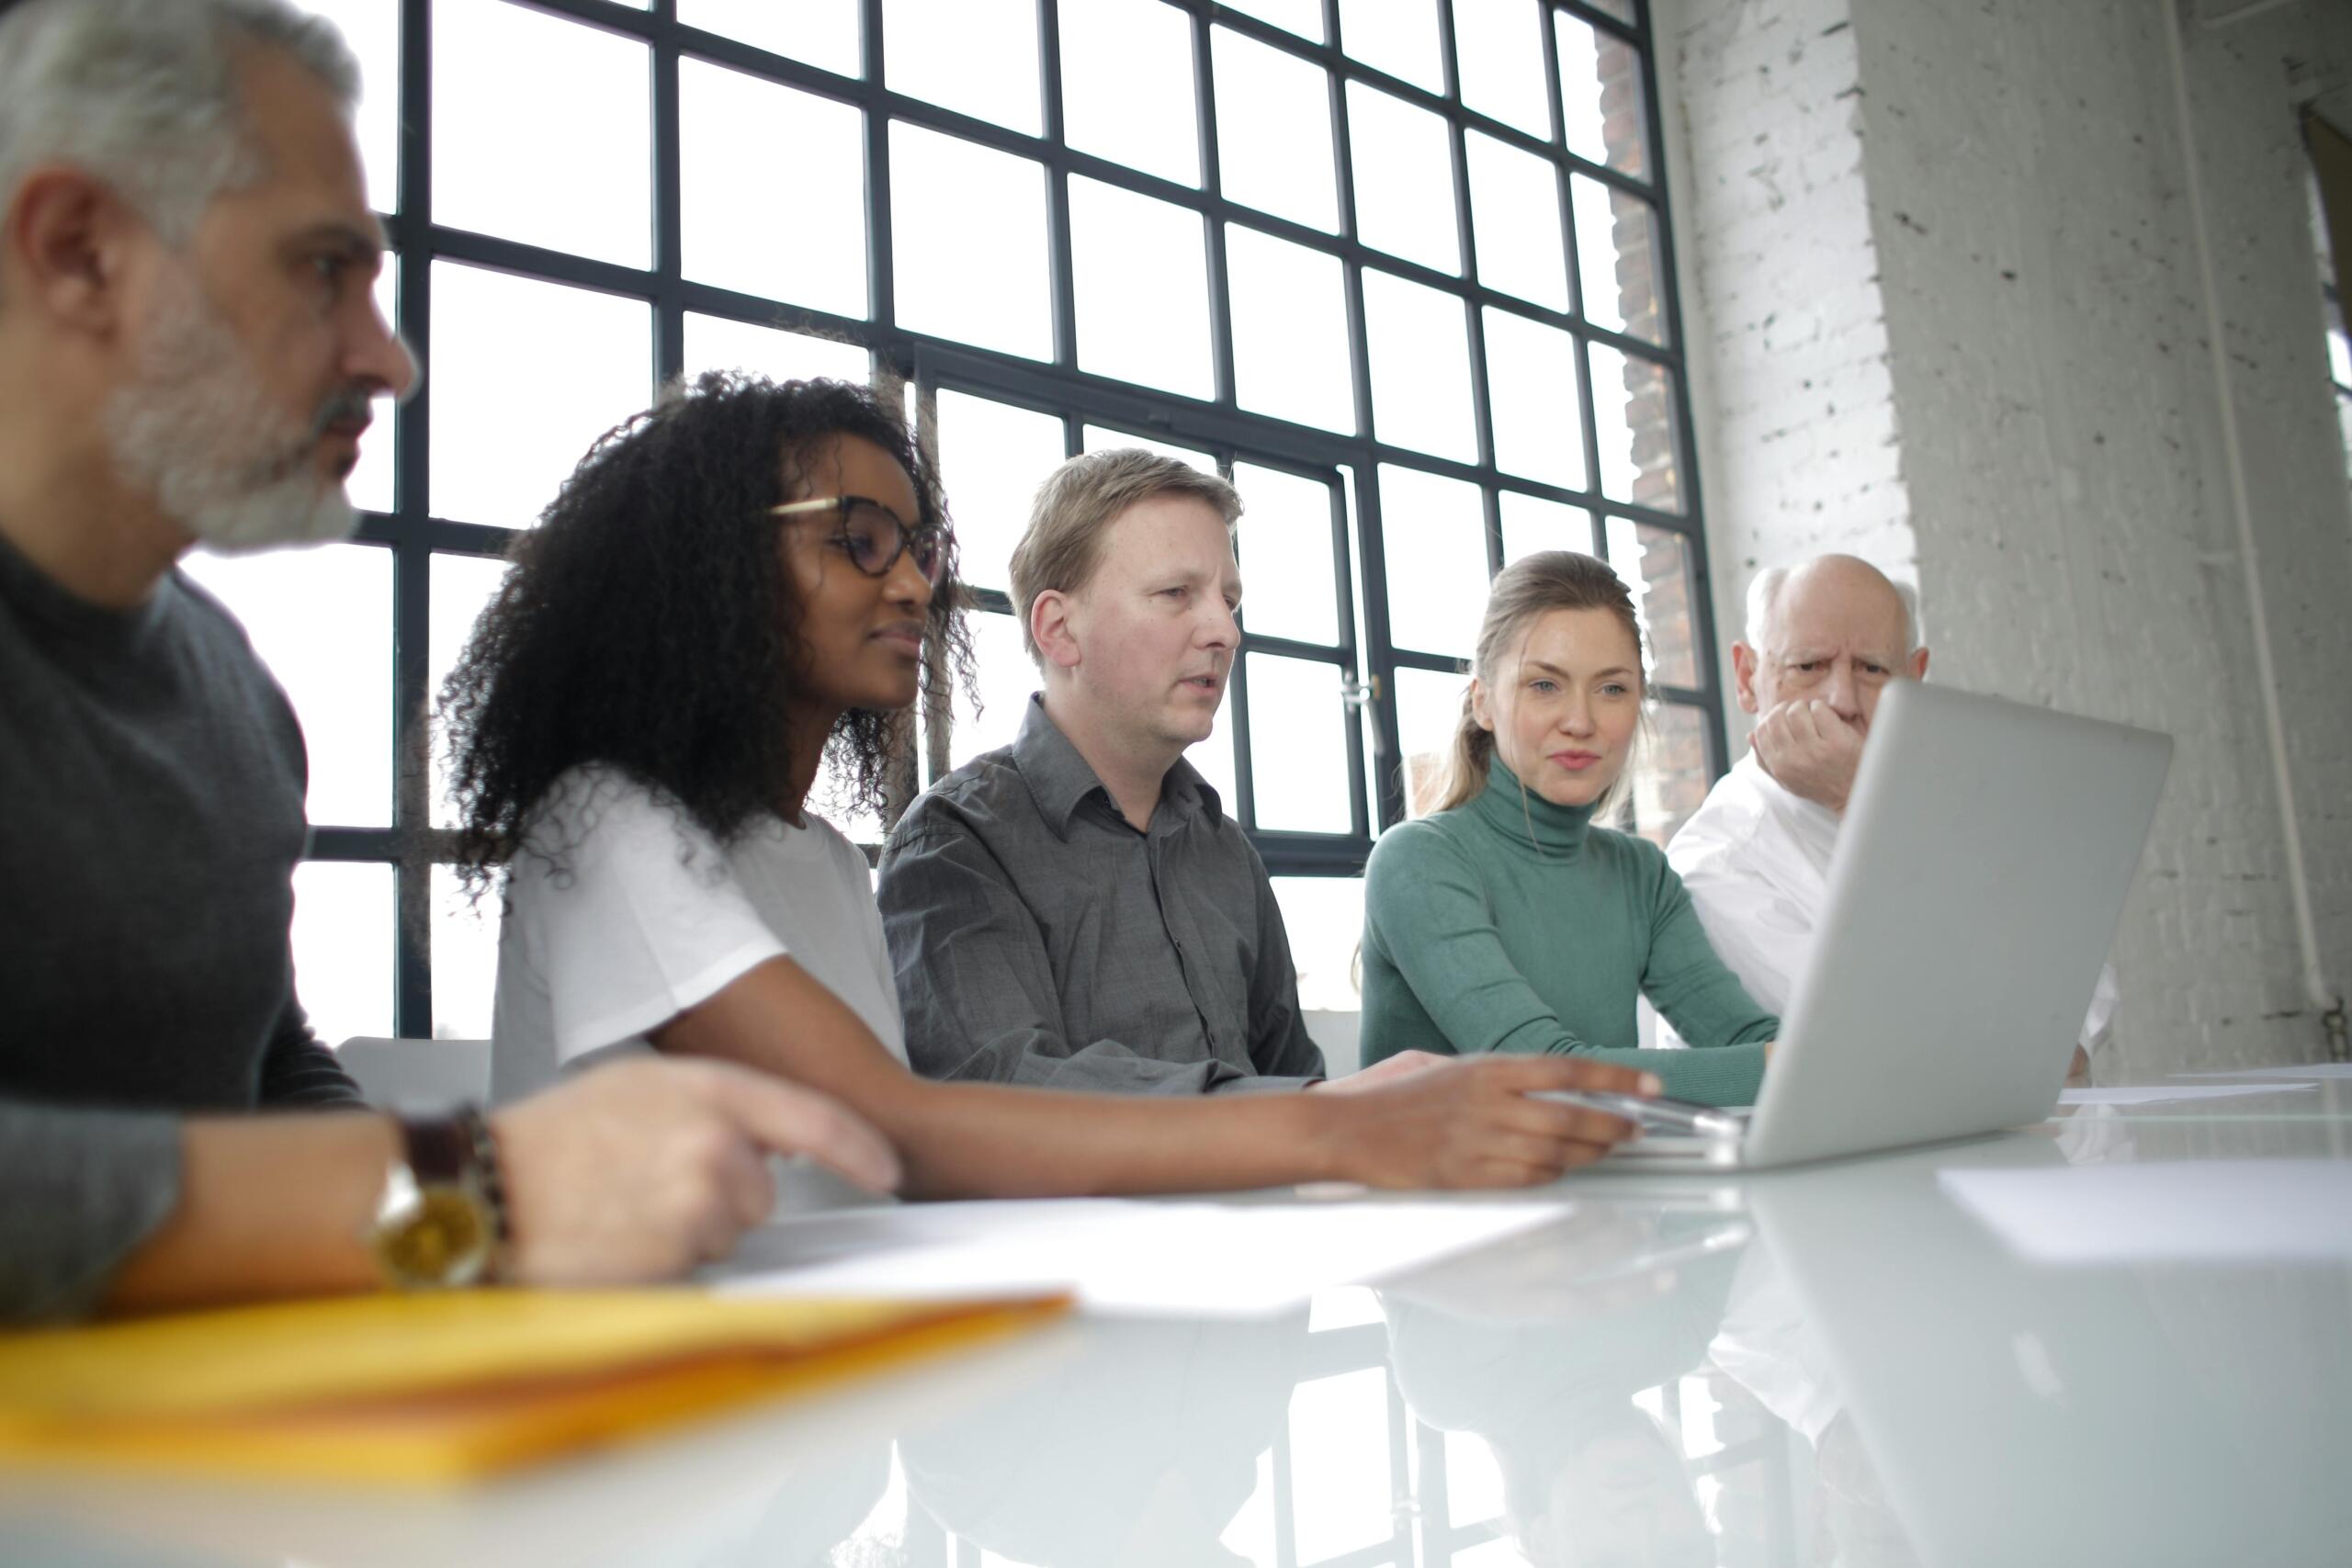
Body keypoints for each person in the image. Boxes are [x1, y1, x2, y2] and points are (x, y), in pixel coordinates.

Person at [0, 0, 898, 1323]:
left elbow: (267, 1067)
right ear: (81, 250)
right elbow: (396, 1189)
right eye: (323, 269)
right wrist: (472, 1192)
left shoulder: (234, 698)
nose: (390, 358)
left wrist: (437, 1242)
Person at [447, 377, 1661, 1197]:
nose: (917, 585)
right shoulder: (605, 819)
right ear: (713, 560)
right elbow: (910, 1128)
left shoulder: (820, 860)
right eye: (860, 538)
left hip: (818, 1428)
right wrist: (1349, 1123)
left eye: (920, 548)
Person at [876, 448, 1425, 1096]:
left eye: (1229, 599)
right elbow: (1009, 1091)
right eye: (1175, 594)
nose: (1225, 630)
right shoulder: (958, 843)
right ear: (1059, 629)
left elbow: (1294, 1078)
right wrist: (1307, 1110)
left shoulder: (1227, 853)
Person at [1662, 555, 2114, 1073]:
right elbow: (1908, 1050)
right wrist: (1860, 799)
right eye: (1808, 666)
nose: (1842, 700)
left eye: (1873, 669)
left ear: (1915, 679)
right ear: (1747, 678)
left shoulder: (1977, 811)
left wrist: (1867, 799)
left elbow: (2081, 1007)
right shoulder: (1712, 862)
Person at [1359, 551, 1778, 1107]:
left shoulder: (1641, 874)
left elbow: (1745, 1037)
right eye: (1544, 686)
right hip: (1445, 1195)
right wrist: (1791, 1069)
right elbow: (1540, 1071)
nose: (1581, 721)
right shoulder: (1417, 860)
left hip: (1599, 1185)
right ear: (1483, 700)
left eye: (1612, 689)